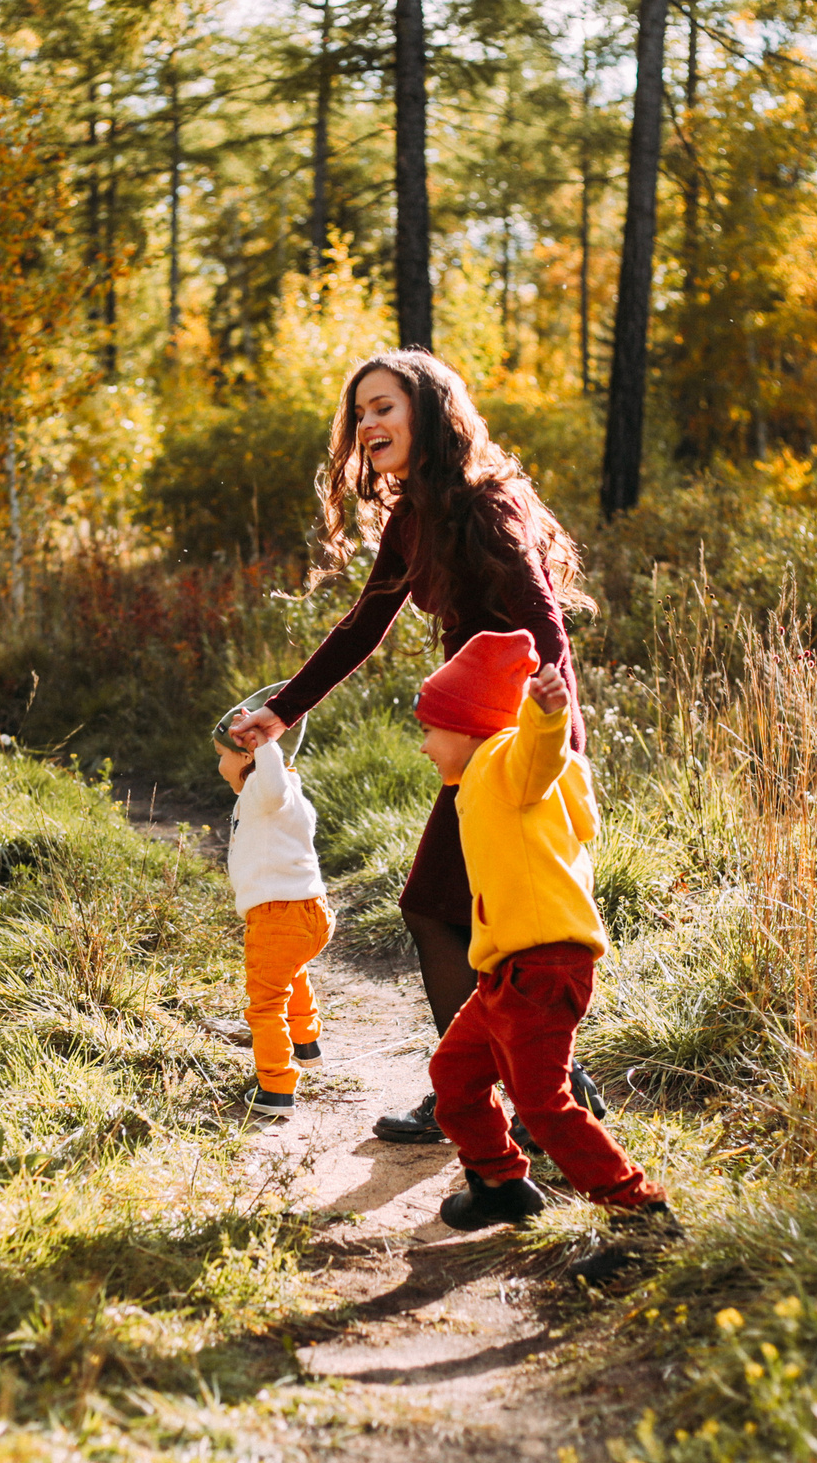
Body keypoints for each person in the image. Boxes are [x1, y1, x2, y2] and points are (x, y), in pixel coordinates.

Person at [227, 349, 610, 1145]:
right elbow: (363, 625)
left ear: (429, 413)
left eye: (384, 407)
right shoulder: (413, 518)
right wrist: (281, 711)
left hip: (521, 741)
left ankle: (488, 1092)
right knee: (463, 911)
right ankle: (523, 1085)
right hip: (481, 741)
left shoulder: (486, 505)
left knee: (443, 906)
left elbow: (544, 623)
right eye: (360, 412)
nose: (368, 424)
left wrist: (556, 739)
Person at [407, 630, 677, 1284]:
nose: (424, 745)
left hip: (541, 967)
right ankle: (500, 1183)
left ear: (467, 726)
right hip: (508, 970)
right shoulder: (488, 776)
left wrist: (546, 715)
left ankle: (642, 1214)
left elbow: (536, 754)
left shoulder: (503, 760)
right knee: (454, 1074)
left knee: (543, 1103)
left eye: (430, 730)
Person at [212, 693, 331, 1115]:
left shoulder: (267, 789)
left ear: (247, 757)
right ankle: (306, 1041)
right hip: (312, 913)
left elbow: (273, 782)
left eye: (222, 756)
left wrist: (265, 746)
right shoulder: (289, 793)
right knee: (290, 971)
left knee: (265, 1003)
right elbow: (279, 783)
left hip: (276, 916)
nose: (219, 766)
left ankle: (277, 1089)